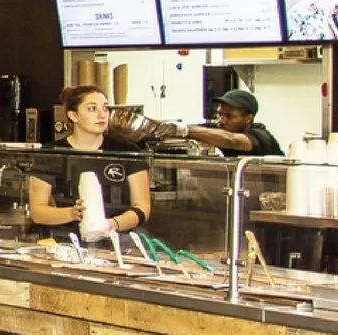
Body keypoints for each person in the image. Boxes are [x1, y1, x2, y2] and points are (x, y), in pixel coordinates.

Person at [25, 85, 151, 242]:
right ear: (74, 116)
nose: (101, 114)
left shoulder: (127, 151)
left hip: (120, 242)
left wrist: (111, 224)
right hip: (67, 242)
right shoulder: (51, 153)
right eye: (92, 109)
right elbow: (37, 212)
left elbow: (142, 207)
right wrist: (72, 213)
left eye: (105, 108)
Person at [177, 88, 283, 158]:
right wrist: (171, 127)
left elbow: (231, 140)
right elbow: (196, 130)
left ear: (248, 119)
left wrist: (183, 130)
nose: (221, 121)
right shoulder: (221, 129)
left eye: (229, 116)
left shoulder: (261, 137)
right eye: (219, 114)